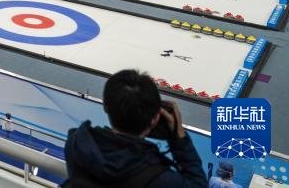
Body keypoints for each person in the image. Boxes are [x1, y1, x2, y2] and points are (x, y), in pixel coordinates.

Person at [64, 69, 206, 188]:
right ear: (155, 118)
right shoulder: (160, 179)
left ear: (106, 106)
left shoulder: (77, 144)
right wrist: (180, 141)